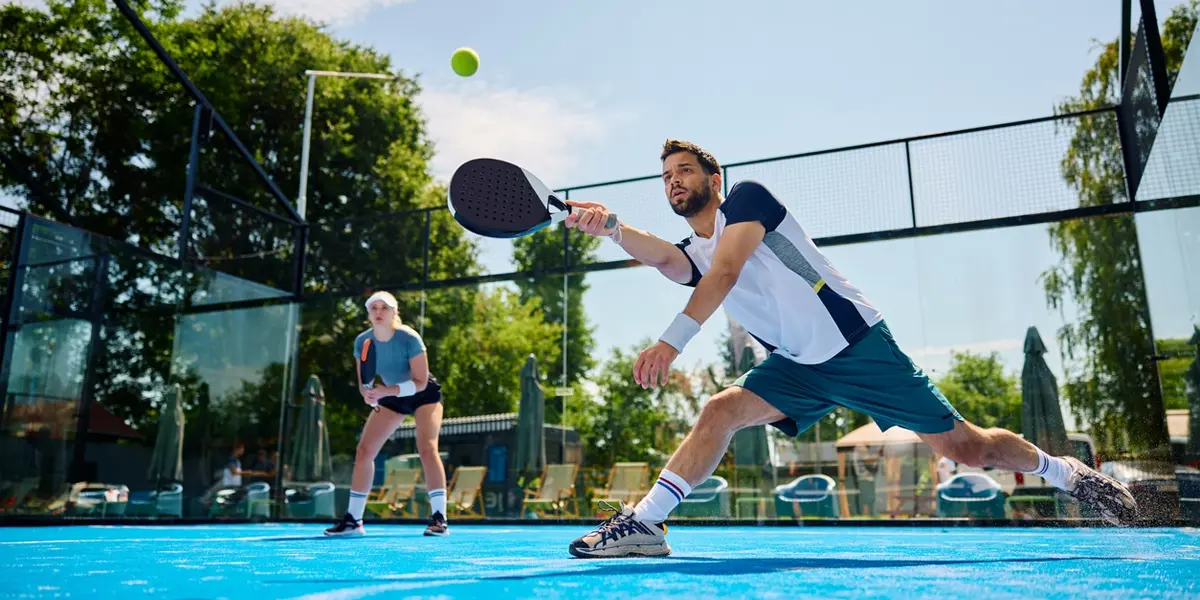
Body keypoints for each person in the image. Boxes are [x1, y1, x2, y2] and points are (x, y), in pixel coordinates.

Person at [561, 139, 1138, 558]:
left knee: (968, 448)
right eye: (665, 177)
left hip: (858, 347)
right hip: (796, 368)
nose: (674, 181)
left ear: (714, 178)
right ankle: (646, 525)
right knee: (719, 410)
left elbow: (728, 271)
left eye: (684, 170)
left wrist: (671, 341)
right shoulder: (695, 248)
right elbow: (667, 258)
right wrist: (610, 227)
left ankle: (1069, 475)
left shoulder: (749, 200)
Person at [324, 291, 449, 537]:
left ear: (394, 312)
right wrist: (368, 394)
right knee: (364, 451)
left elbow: (421, 382)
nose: (379, 312)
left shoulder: (409, 338)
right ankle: (354, 521)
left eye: (385, 308)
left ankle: (439, 519)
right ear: (369, 314)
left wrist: (385, 391)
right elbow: (364, 382)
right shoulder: (362, 342)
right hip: (390, 394)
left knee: (427, 447)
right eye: (374, 308)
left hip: (424, 394)